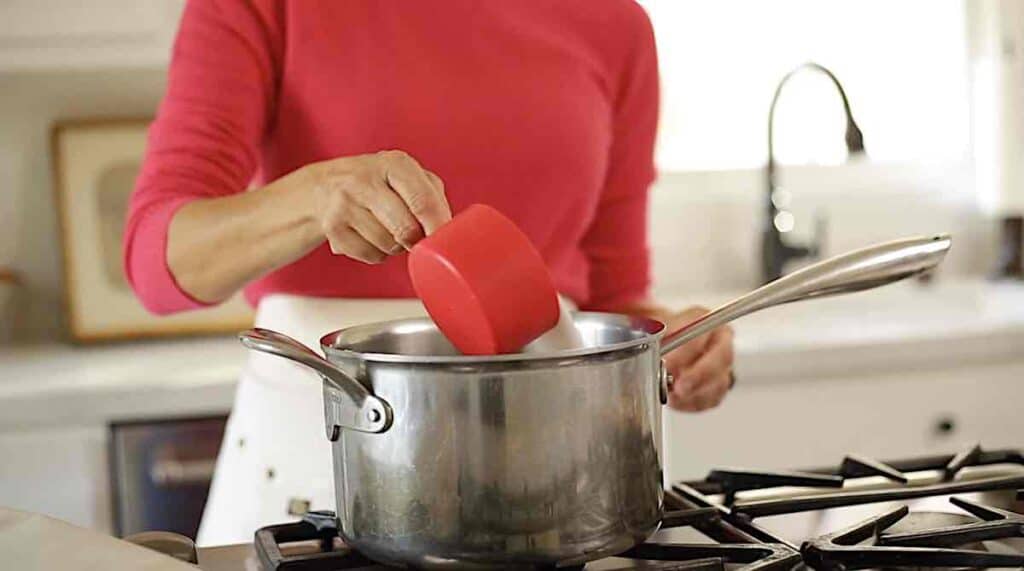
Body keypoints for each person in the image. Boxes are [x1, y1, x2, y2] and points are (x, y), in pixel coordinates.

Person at [124, 0, 735, 546]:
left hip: (549, 482)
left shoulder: (616, 23)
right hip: (315, 460)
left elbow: (615, 293)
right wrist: (313, 197)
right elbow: (157, 262)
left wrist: (678, 343)